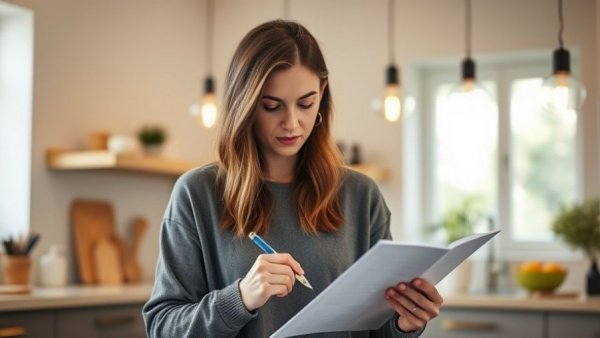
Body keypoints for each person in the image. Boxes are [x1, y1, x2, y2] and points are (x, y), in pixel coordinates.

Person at [143, 19, 443, 337]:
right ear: (244, 105)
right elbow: (163, 328)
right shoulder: (197, 195)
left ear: (322, 96)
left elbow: (378, 331)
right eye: (271, 106)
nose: (292, 123)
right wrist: (240, 299)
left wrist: (406, 323)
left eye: (305, 104)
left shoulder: (361, 196)